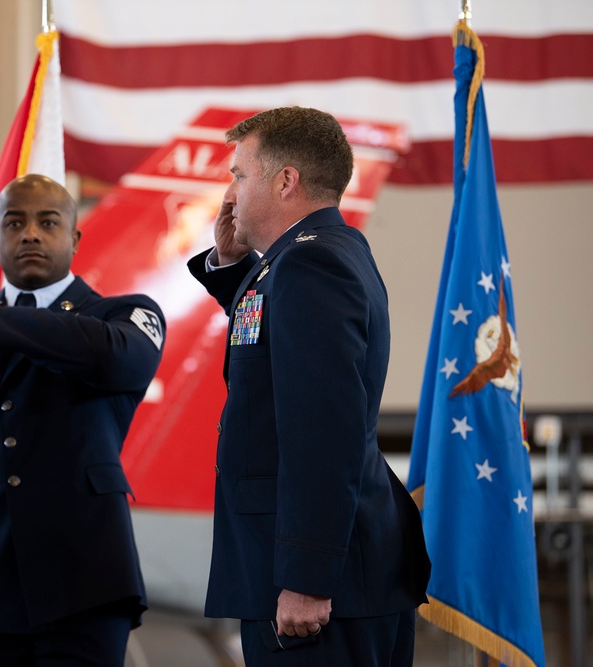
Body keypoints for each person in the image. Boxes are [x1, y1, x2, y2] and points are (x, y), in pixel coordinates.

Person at [188, 107, 430, 666]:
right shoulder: (316, 254)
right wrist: (231, 266)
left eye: (238, 174)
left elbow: (323, 430)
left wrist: (307, 576)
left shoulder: (309, 265)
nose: (229, 193)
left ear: (285, 180)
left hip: (318, 590)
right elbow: (277, 349)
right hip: (331, 578)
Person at [0, 174, 166, 667]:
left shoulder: (123, 316)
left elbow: (117, 360)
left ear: (74, 237)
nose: (30, 234)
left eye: (48, 222)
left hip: (83, 581)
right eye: (15, 222)